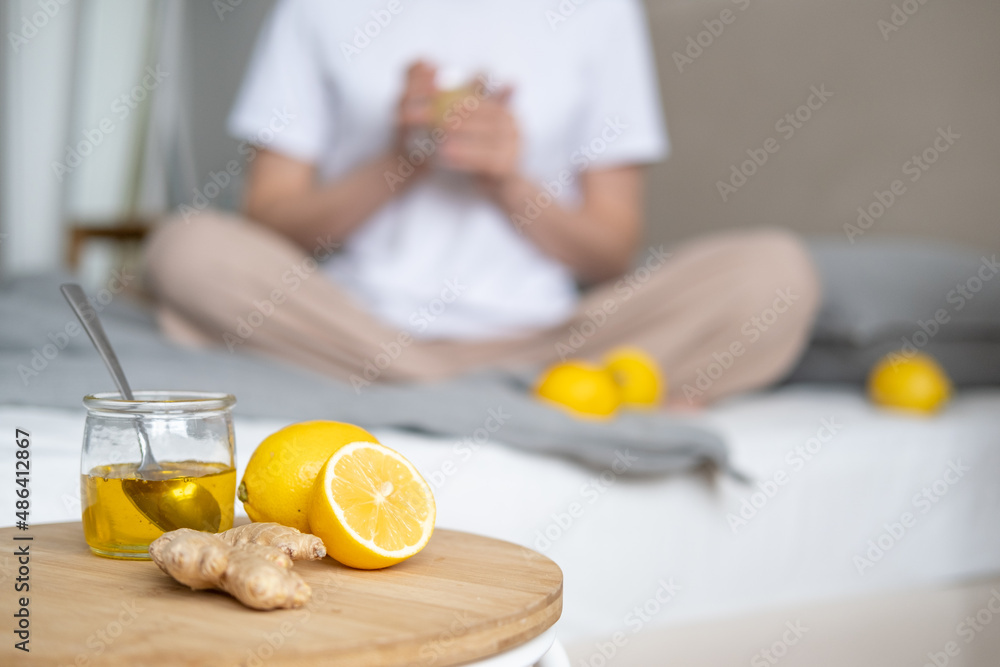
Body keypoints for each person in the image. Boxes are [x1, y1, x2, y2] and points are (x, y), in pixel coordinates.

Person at [145, 0, 819, 404]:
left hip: (552, 344)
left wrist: (508, 181)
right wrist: (399, 164)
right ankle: (502, 398)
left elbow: (612, 250)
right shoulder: (316, 8)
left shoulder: (598, 10)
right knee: (187, 246)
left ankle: (440, 392)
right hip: (359, 329)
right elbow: (269, 221)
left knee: (775, 273)